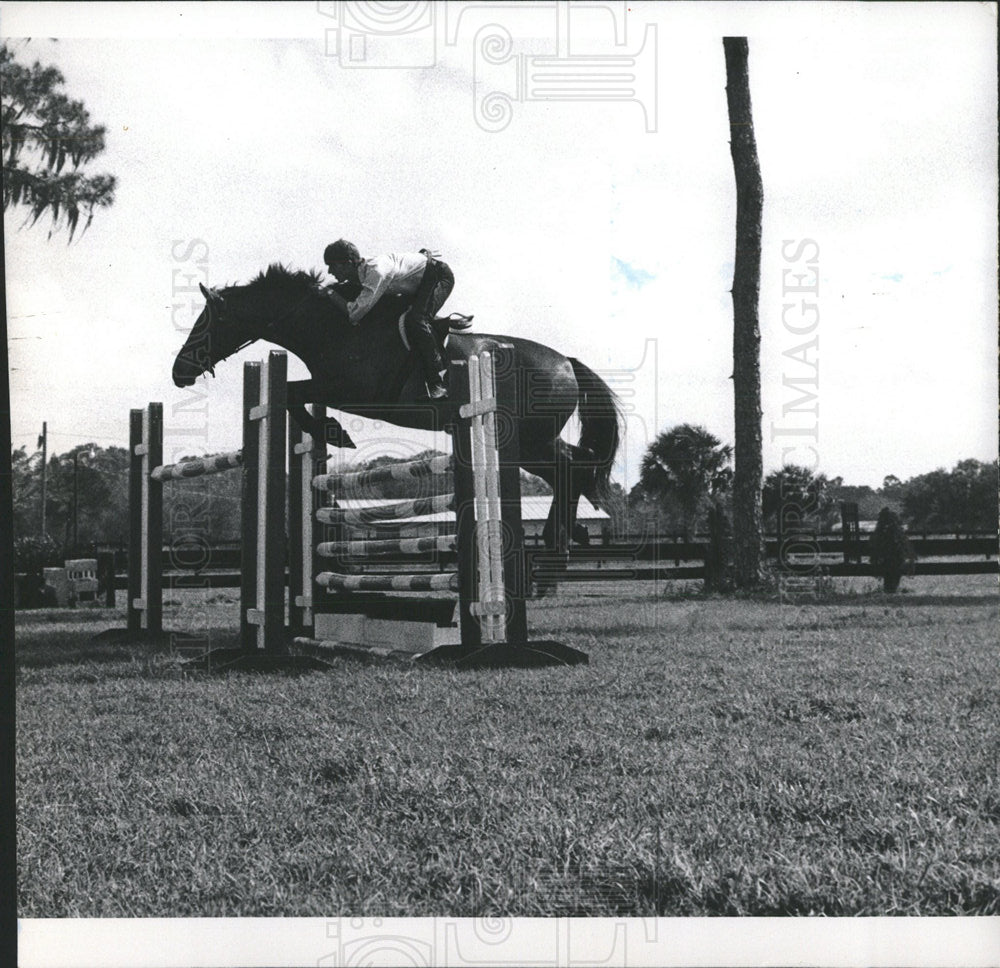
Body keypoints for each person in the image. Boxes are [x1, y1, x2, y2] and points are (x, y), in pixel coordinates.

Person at [323, 239, 455, 399]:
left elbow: (354, 315)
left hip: (438, 278)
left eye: (333, 265)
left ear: (349, 263)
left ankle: (438, 381)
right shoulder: (362, 271)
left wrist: (331, 294)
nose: (330, 271)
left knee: (416, 320)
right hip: (419, 281)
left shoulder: (376, 272)